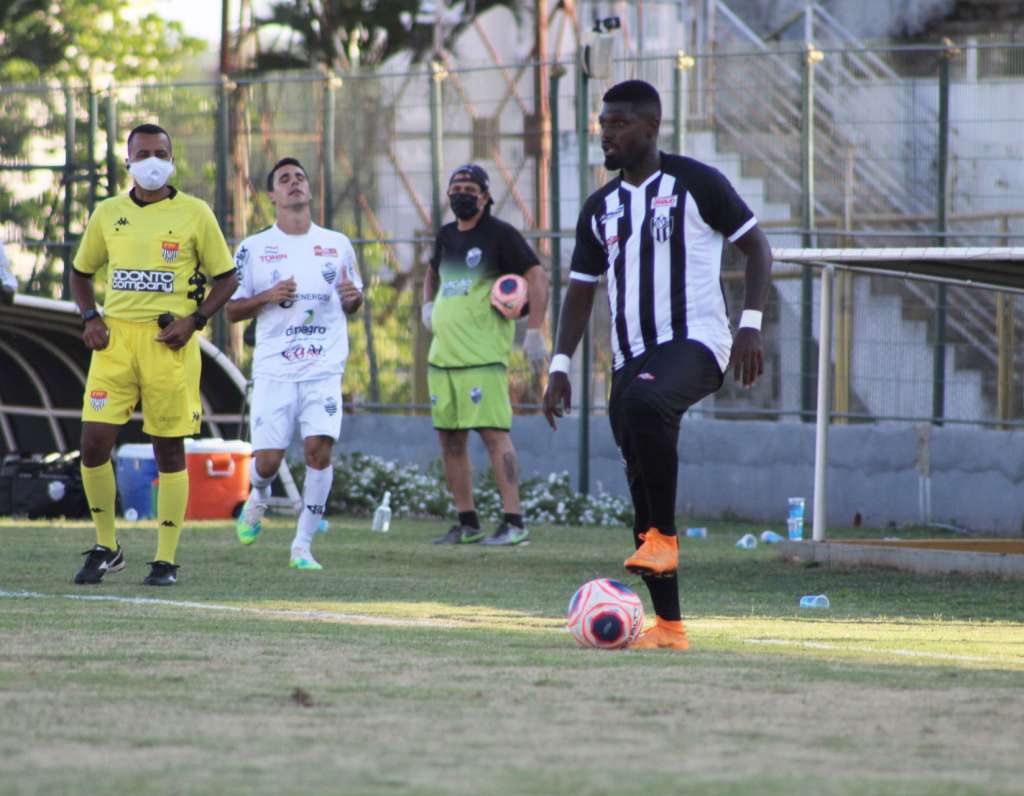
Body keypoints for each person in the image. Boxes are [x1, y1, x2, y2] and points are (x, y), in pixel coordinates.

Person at [542, 81, 772, 650]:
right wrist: (559, 364)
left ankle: (665, 537)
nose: (607, 133)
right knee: (640, 480)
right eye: (603, 124)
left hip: (698, 343)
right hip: (631, 358)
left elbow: (758, 249)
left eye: (618, 123)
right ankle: (669, 626)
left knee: (646, 407)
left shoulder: (697, 182)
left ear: (650, 128)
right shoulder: (600, 208)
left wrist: (750, 325)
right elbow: (579, 292)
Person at [71, 123, 239, 586]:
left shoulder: (195, 213)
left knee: (169, 447)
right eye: (142, 153)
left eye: (160, 153)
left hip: (170, 344)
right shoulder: (107, 213)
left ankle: (165, 559)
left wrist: (196, 320)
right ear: (127, 161)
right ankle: (107, 547)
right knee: (93, 444)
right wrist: (90, 318)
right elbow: (81, 273)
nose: (152, 161)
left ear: (171, 159)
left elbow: (227, 278)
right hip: (115, 344)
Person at [227, 158, 363, 570]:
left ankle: (302, 546)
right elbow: (231, 311)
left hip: (323, 367)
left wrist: (353, 299)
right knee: (267, 461)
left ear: (309, 188)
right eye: (284, 180)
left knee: (318, 452)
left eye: (300, 177)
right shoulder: (253, 248)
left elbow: (354, 297)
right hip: (274, 369)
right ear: (272, 195)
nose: (294, 183)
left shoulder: (337, 243)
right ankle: (259, 494)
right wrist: (268, 295)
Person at [422, 164, 549, 545]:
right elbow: (432, 272)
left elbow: (537, 277)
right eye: (455, 186)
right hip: (442, 357)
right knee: (450, 440)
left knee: (494, 435)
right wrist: (427, 306)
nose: (461, 193)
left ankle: (514, 522)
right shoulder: (445, 236)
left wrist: (534, 333)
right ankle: (468, 522)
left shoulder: (500, 235)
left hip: (482, 356)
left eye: (469, 187)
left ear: (486, 196)